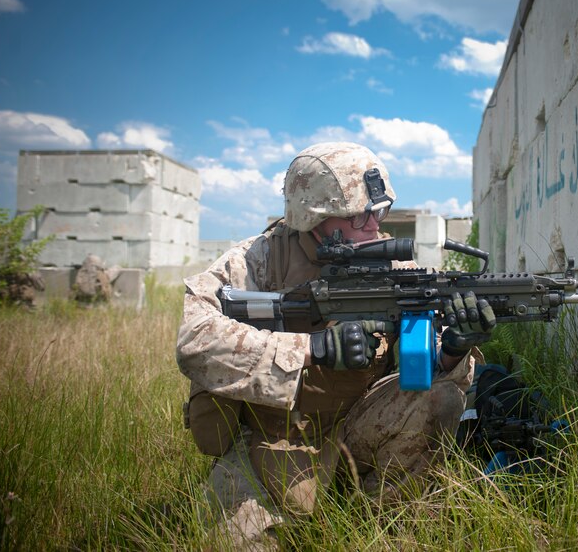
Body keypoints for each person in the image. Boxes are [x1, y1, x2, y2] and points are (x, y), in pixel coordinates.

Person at [176, 142, 495, 540]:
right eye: (361, 215)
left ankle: (384, 524)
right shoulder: (255, 260)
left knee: (440, 397)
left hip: (358, 428)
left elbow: (424, 371)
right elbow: (194, 339)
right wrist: (314, 349)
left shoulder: (397, 268)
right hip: (267, 441)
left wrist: (454, 349)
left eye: (379, 212)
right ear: (314, 215)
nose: (375, 226)